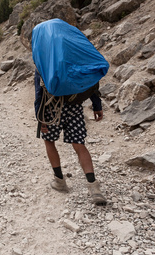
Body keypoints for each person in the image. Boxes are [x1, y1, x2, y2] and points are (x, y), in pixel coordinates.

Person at [34, 69, 107, 205]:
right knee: (79, 145)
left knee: (49, 142)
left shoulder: (46, 56)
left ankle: (59, 181)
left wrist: (39, 115)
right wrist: (97, 105)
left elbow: (39, 88)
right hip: (74, 106)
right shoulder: (76, 55)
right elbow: (90, 81)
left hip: (52, 107)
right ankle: (94, 188)